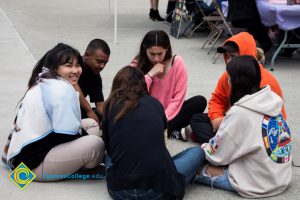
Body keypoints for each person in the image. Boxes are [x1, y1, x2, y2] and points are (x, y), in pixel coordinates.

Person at [3, 43, 105, 181]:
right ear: (55, 67)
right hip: (31, 168)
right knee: (97, 144)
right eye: (68, 66)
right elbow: (67, 135)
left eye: (77, 65)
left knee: (91, 124)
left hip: (24, 153)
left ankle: (70, 165)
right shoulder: (61, 89)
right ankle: (74, 171)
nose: (75, 70)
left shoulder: (44, 79)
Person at [194, 55, 293, 198]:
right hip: (280, 177)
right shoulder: (272, 100)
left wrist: (203, 148)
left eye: (229, 78)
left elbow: (216, 156)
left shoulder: (240, 112)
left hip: (258, 184)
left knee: (193, 164)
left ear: (236, 82)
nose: (227, 81)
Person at [102, 66, 205, 200]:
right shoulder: (154, 103)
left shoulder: (110, 105)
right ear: (144, 85)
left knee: (109, 156)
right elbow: (161, 142)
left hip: (121, 191)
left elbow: (110, 148)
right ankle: (185, 175)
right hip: (157, 191)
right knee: (198, 152)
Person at [190, 32, 286, 143]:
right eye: (228, 56)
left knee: (200, 131)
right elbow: (217, 99)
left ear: (247, 56)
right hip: (230, 123)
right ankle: (219, 144)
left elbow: (278, 120)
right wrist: (216, 118)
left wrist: (232, 124)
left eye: (234, 56)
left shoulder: (267, 81)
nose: (230, 60)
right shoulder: (228, 75)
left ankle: (216, 144)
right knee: (197, 118)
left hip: (255, 130)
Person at [131, 30, 207, 141]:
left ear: (167, 49)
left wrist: (164, 118)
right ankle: (169, 131)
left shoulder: (177, 62)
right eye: (152, 54)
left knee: (199, 101)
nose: (156, 58)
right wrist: (150, 75)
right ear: (144, 50)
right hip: (146, 113)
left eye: (160, 54)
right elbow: (133, 94)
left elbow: (178, 98)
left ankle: (162, 129)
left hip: (169, 113)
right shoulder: (137, 63)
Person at [75, 39, 110, 125]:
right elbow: (73, 87)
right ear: (87, 55)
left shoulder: (95, 75)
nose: (102, 66)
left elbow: (100, 107)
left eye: (105, 63)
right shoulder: (73, 64)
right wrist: (89, 110)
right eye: (99, 61)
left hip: (77, 109)